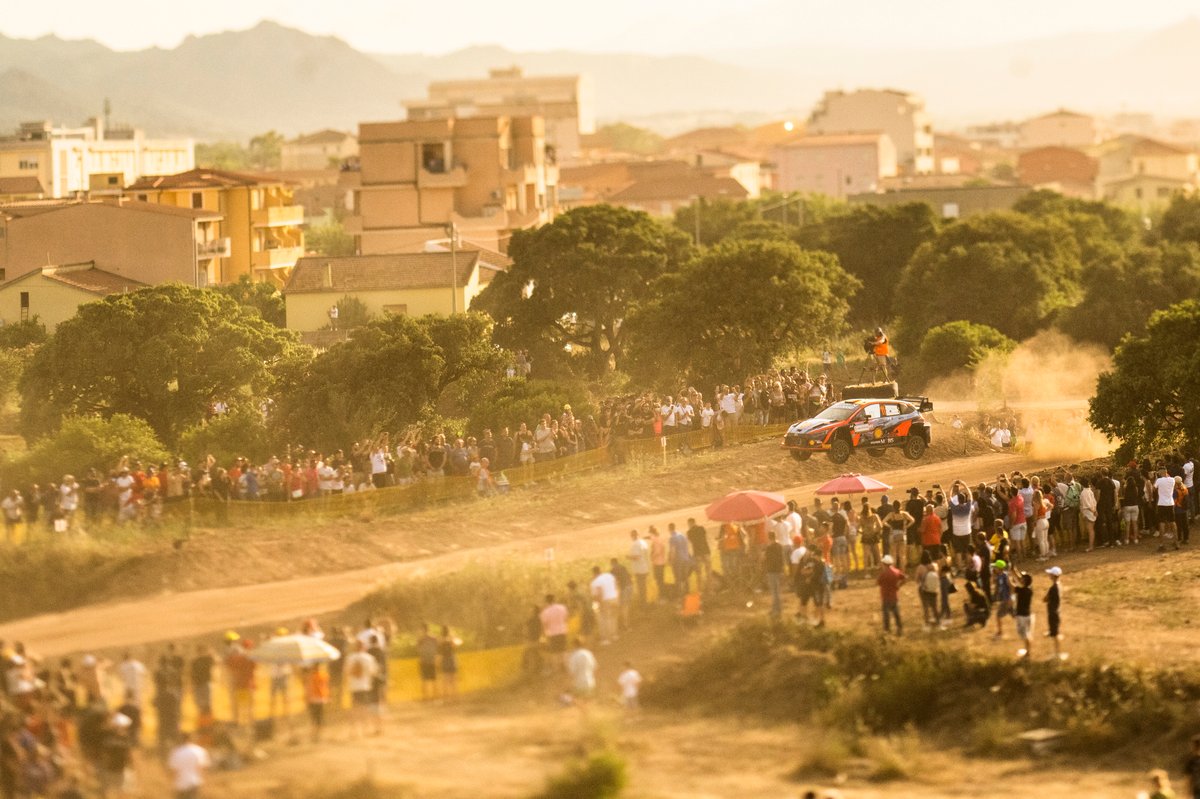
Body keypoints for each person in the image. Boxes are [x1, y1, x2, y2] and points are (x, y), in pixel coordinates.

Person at [344, 640, 379, 737]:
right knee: (365, 709)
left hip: (354, 687)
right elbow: (374, 672)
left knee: (355, 709)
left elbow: (346, 672)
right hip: (365, 686)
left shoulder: (350, 658)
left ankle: (353, 730)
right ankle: (366, 729)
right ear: (364, 647)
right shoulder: (369, 658)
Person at [168, 731, 210, 799]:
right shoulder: (199, 751)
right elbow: (201, 768)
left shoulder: (176, 752)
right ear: (193, 739)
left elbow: (174, 771)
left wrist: (173, 785)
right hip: (194, 782)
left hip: (180, 784)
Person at [876, 555, 906, 636]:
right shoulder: (896, 571)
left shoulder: (883, 574)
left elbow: (878, 582)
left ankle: (887, 631)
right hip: (894, 596)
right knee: (896, 614)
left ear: (884, 564)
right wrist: (899, 586)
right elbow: (904, 578)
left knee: (886, 616)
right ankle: (900, 629)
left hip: (885, 597)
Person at [590, 565, 620, 645]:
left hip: (604, 601)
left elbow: (599, 594)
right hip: (614, 598)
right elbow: (616, 585)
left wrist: (598, 604)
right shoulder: (609, 576)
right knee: (613, 618)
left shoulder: (595, 582)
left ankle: (606, 639)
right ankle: (614, 635)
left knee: (603, 620)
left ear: (594, 573)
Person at [566, 639, 597, 708]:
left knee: (574, 699)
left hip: (579, 683)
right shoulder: (589, 653)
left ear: (574, 645)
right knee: (587, 700)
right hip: (590, 681)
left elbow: (572, 671)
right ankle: (587, 713)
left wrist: (569, 682)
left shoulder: (574, 656)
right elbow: (595, 667)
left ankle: (584, 713)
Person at [304, 664, 330, 742]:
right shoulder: (324, 675)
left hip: (313, 699)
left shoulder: (311, 677)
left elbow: (309, 688)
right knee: (319, 718)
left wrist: (307, 698)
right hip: (321, 698)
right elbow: (326, 687)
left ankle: (314, 735)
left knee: (314, 718)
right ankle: (318, 735)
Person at [1044, 566, 1064, 659]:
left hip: (1053, 612)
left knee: (1055, 635)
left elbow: (1045, 599)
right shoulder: (1059, 585)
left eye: (1050, 574)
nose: (1049, 575)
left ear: (1053, 576)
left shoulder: (1053, 588)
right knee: (1055, 633)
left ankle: (1057, 654)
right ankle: (1057, 652)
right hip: (1057, 611)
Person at [1014, 571, 1035, 659]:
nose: (1020, 578)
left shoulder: (1021, 590)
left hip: (1022, 616)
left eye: (1022, 578)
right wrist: (1013, 570)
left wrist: (1007, 576)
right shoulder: (1029, 589)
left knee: (1025, 635)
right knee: (1026, 634)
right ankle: (1027, 651)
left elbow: (1012, 587)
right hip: (1028, 615)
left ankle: (1028, 653)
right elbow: (1020, 579)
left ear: (1024, 581)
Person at [416, 623, 439, 700]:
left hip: (428, 661)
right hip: (427, 661)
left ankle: (429, 696)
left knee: (429, 680)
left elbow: (418, 650)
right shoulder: (431, 638)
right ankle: (429, 696)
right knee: (429, 680)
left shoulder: (423, 639)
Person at [626, 531, 650, 604]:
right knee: (644, 586)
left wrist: (628, 557)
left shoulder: (635, 544)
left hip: (639, 569)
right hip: (645, 567)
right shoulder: (643, 542)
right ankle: (645, 601)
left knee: (640, 587)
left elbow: (637, 557)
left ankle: (643, 603)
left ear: (632, 536)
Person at [1183, 734, 1200, 799]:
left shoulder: (1192, 761)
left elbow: (1188, 779)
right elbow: (1188, 778)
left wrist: (1187, 793)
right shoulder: (1191, 761)